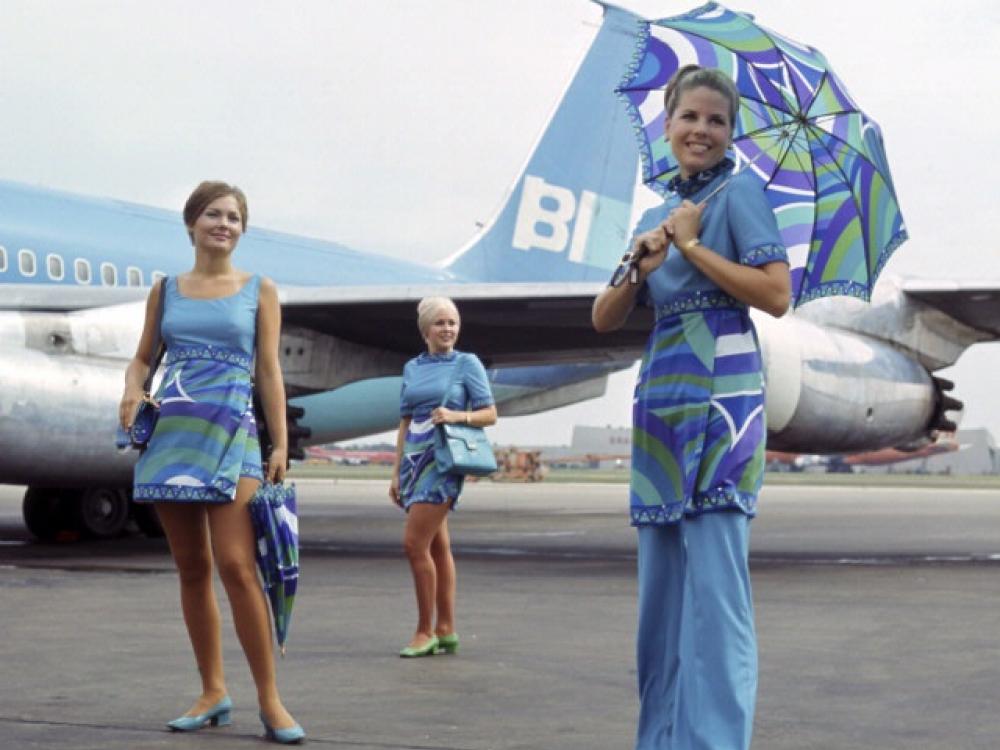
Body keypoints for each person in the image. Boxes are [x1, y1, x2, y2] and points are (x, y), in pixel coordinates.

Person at [592, 65, 791, 750]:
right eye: (690, 118)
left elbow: (774, 295)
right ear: (667, 125)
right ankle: (662, 739)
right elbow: (604, 317)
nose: (701, 130)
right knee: (661, 601)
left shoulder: (741, 196)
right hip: (663, 400)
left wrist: (695, 245)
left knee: (716, 596)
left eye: (716, 120)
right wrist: (639, 263)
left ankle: (714, 742)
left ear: (730, 133)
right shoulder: (655, 217)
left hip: (725, 400)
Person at [118, 181, 304, 744]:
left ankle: (270, 701)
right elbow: (143, 357)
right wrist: (131, 389)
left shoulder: (259, 290)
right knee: (192, 568)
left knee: (237, 566)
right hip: (173, 436)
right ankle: (212, 691)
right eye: (212, 215)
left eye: (233, 217)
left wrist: (279, 443)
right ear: (191, 223)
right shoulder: (166, 290)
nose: (224, 224)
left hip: (234, 434)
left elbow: (268, 370)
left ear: (242, 229)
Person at [389, 297, 497, 658]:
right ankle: (446, 628)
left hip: (443, 461)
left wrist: (456, 416)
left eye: (452, 322)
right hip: (414, 461)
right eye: (440, 323)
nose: (448, 329)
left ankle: (424, 631)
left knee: (413, 544)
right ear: (425, 330)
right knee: (437, 546)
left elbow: (489, 413)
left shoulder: (467, 364)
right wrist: (396, 472)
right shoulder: (412, 368)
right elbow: (405, 420)